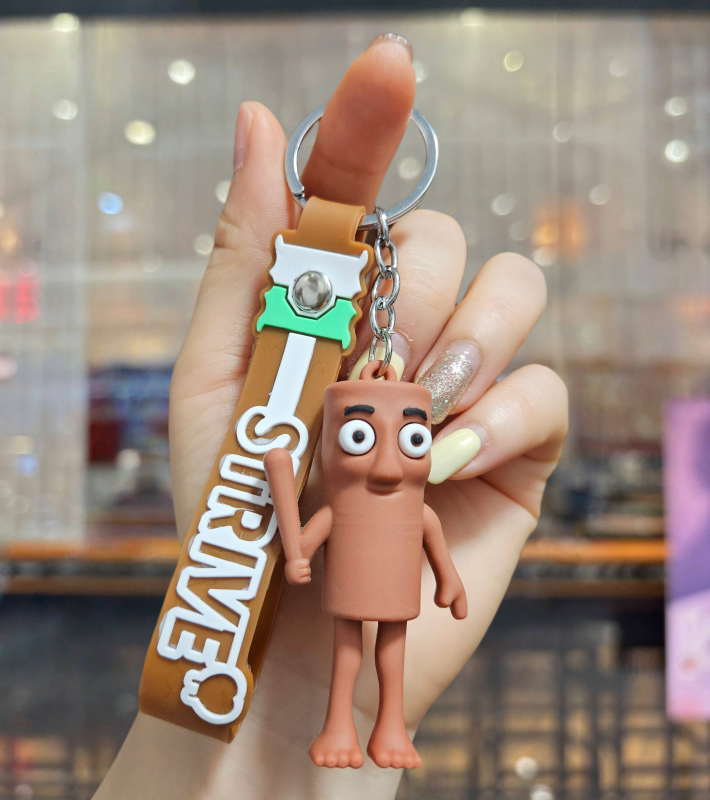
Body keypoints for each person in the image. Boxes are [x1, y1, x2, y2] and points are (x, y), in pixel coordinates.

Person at [94, 32, 568, 800]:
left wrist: (448, 581)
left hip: (381, 594)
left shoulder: (415, 506)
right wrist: (286, 555)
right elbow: (305, 536)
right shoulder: (328, 489)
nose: (384, 457)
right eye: (358, 434)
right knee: (353, 654)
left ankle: (377, 724)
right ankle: (344, 722)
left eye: (410, 436)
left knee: (381, 657)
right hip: (293, 610)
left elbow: (431, 540)